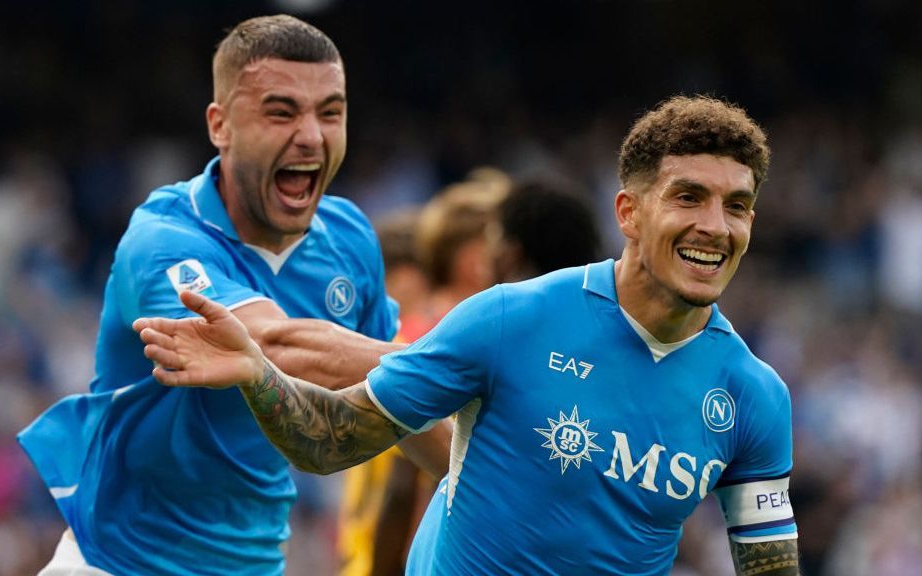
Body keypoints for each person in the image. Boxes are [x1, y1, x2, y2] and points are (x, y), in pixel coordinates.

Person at [134, 95, 801, 575]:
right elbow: (332, 439)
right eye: (689, 197)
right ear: (628, 212)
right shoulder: (512, 319)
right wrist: (258, 374)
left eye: (737, 206)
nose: (716, 225)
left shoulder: (752, 397)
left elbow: (770, 565)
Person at [17, 14, 448, 575]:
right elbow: (267, 344)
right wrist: (464, 365)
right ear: (220, 126)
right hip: (117, 564)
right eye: (281, 112)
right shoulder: (164, 238)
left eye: (331, 112)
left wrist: (490, 475)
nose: (312, 135)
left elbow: (392, 401)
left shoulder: (350, 240)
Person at [340, 171, 508, 576]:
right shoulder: (443, 340)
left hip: (365, 551)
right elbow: (407, 483)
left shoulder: (416, 330)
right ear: (473, 258)